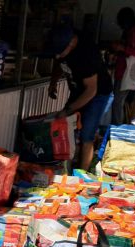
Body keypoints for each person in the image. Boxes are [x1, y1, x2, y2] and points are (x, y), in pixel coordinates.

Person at [47, 24, 114, 171]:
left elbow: (91, 90)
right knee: (67, 126)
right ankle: (68, 166)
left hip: (99, 93)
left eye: (60, 52)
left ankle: (81, 175)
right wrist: (53, 83)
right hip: (79, 90)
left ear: (71, 43)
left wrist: (68, 109)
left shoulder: (87, 55)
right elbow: (59, 63)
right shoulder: (63, 43)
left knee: (86, 135)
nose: (57, 56)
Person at [110, 7, 135, 123]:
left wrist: (123, 48)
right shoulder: (129, 30)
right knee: (118, 101)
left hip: (127, 72)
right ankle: (118, 124)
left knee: (118, 101)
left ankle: (117, 126)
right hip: (122, 70)